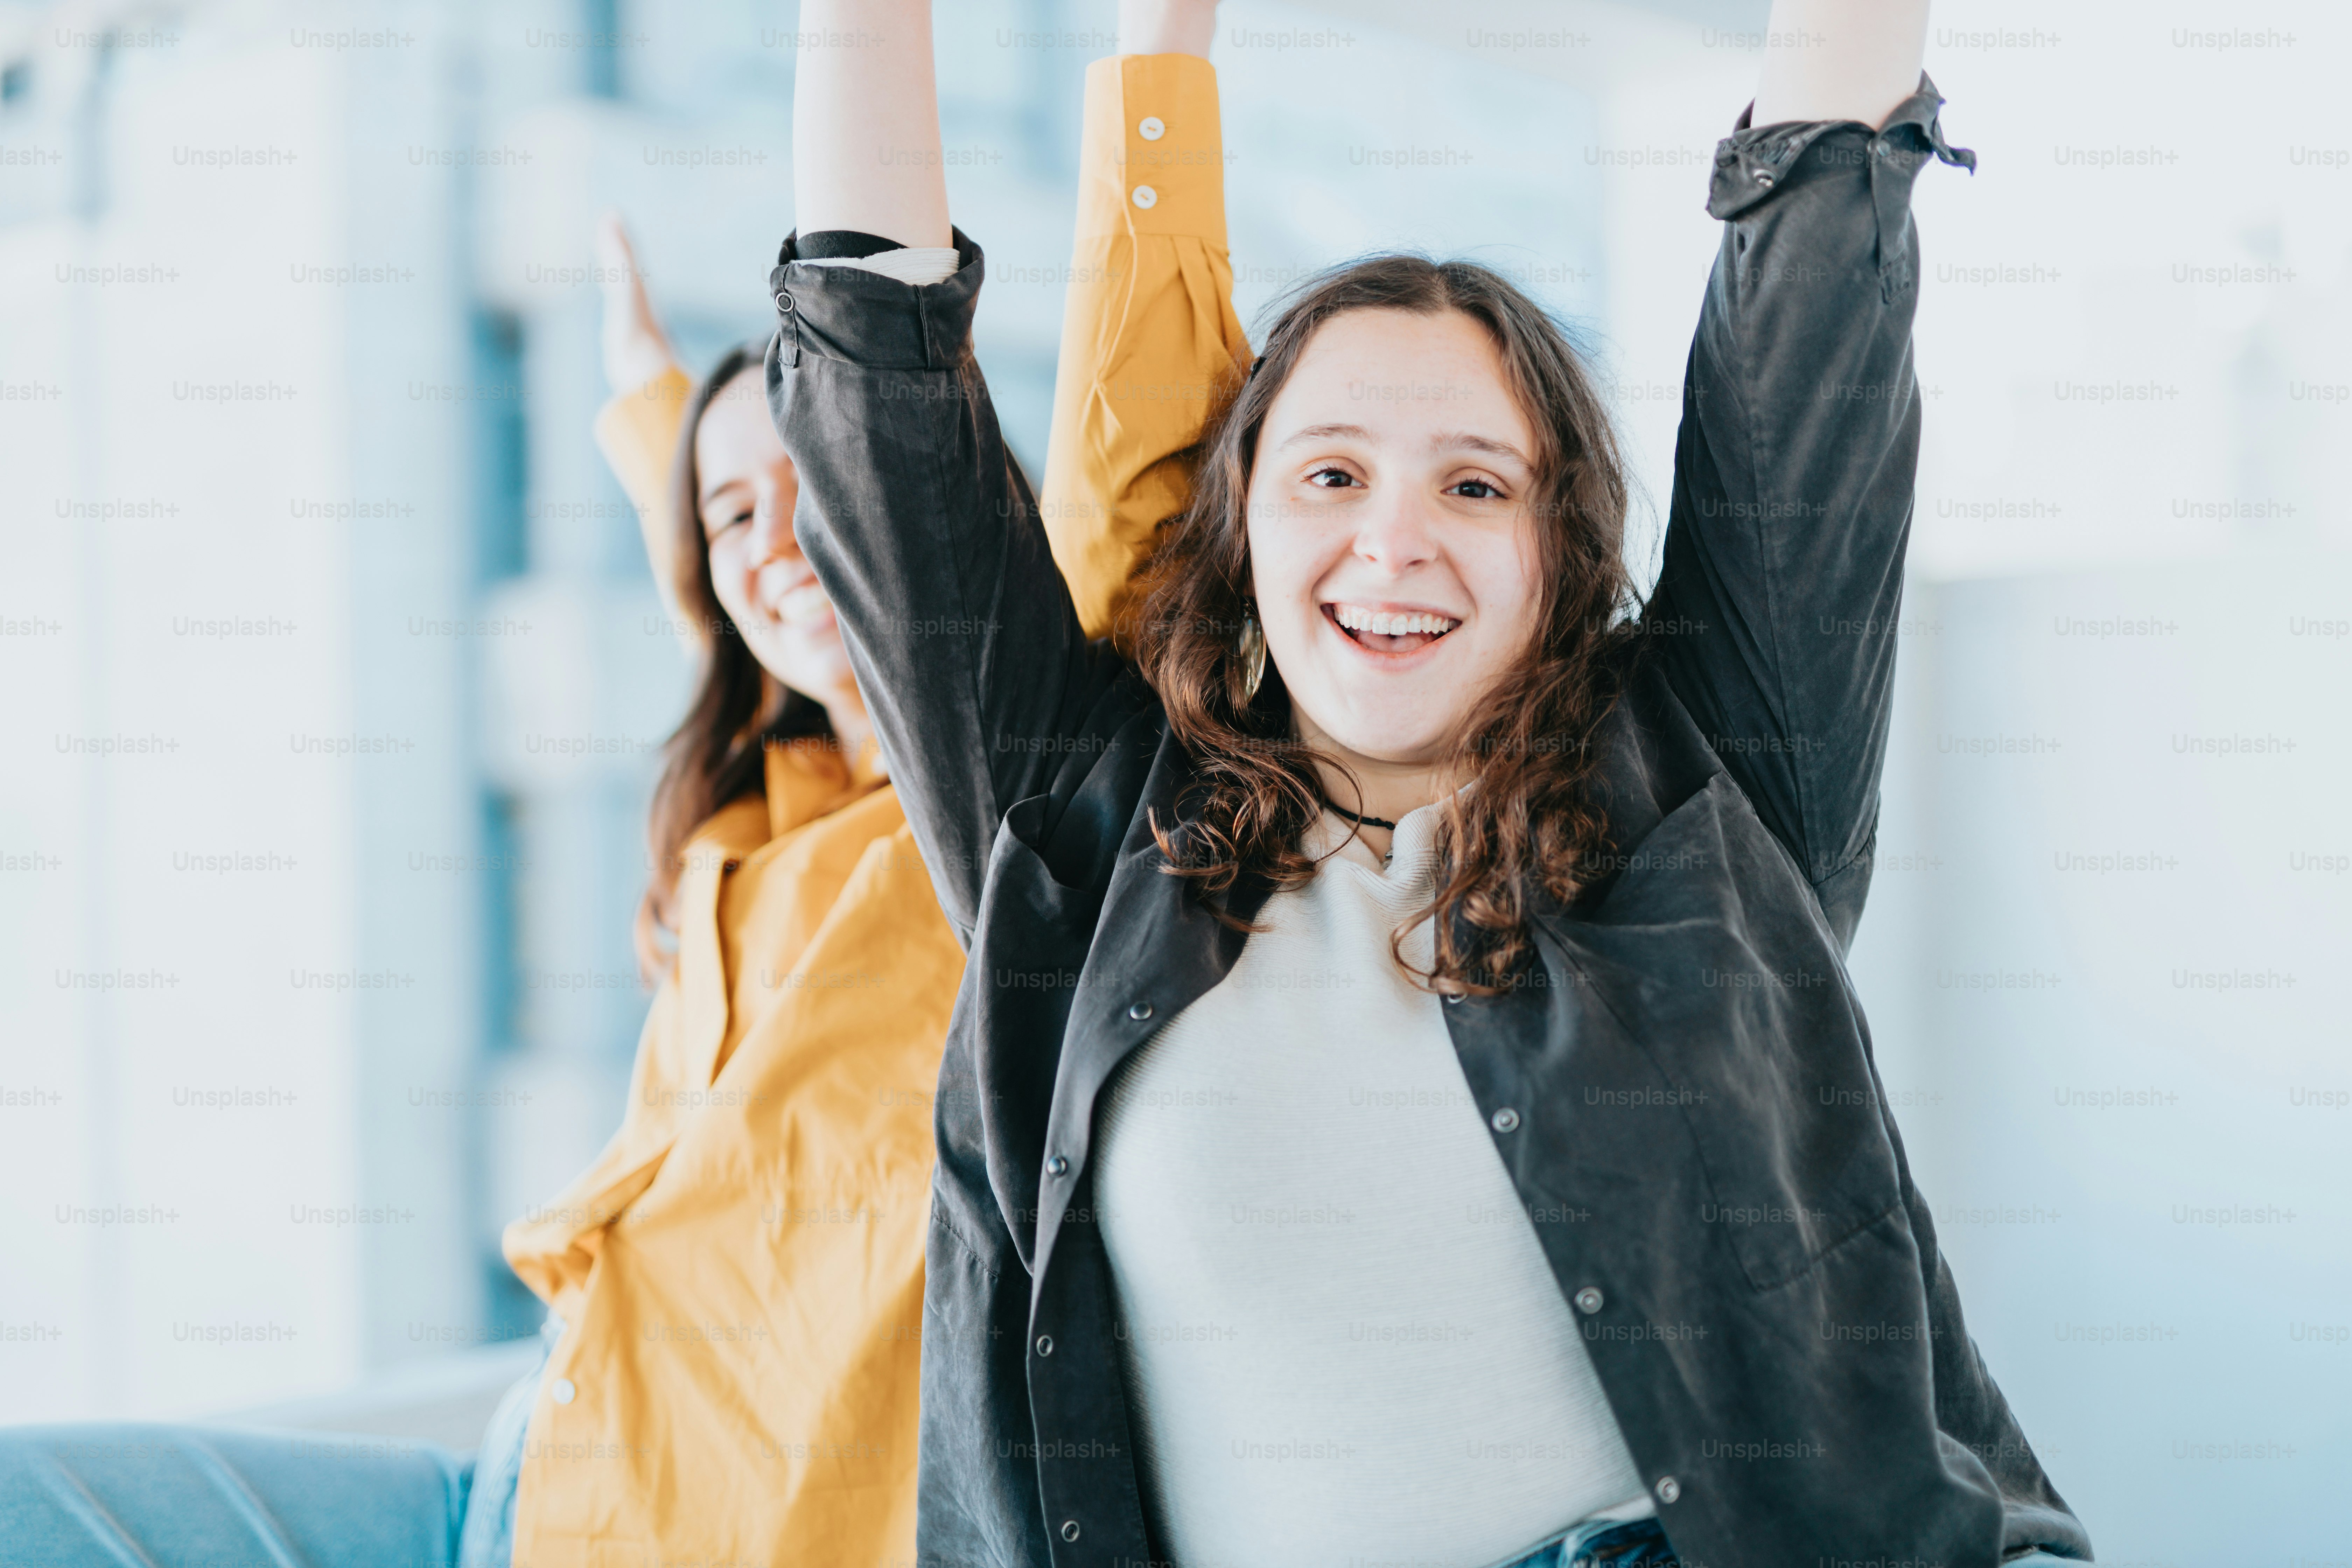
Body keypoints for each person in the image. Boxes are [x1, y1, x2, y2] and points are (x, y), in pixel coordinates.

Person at [773, 0, 2092, 1565]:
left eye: (1475, 484)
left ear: (1561, 553)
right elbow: (873, 379)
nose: (1394, 540)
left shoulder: (1705, 788)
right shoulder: (1074, 824)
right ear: (1240, 526)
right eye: (1331, 472)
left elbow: (1820, 261)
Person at [0, 4, 1245, 1563]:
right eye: (730, 514)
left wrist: (1161, 52)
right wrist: (648, 411)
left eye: (816, 494)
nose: (779, 543)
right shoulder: (759, 800)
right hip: (532, 1469)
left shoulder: (1013, 841)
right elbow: (748, 590)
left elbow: (1126, 472)